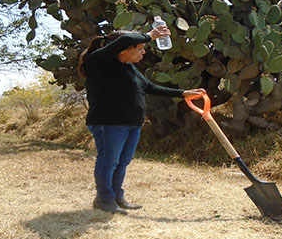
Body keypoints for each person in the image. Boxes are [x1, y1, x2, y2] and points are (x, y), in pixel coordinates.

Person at [78, 24, 206, 214]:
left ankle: (117, 196)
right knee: (109, 161)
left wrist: (184, 93)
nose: (144, 52)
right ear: (122, 50)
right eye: (140, 48)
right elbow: (126, 39)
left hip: (132, 123)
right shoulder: (97, 62)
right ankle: (104, 200)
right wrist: (150, 35)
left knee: (122, 162)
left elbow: (150, 87)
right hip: (108, 123)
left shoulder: (129, 68)